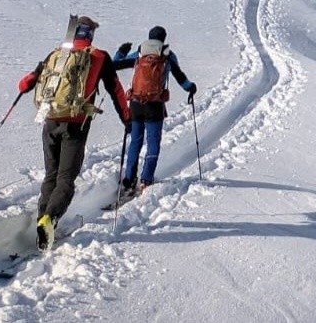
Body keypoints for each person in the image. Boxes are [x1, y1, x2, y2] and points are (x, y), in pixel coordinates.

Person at [17, 14, 130, 249]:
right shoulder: (99, 56)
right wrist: (127, 119)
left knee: (51, 175)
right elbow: (116, 90)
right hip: (76, 125)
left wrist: (33, 76)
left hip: (50, 120)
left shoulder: (57, 54)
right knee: (66, 179)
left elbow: (25, 84)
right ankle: (50, 220)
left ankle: (42, 222)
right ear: (91, 34)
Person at [113, 25, 196, 199]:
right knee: (153, 143)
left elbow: (115, 65)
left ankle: (128, 180)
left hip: (135, 104)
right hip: (155, 106)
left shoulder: (140, 53)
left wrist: (121, 52)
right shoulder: (167, 55)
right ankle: (146, 180)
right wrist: (191, 88)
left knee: (135, 142)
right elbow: (180, 76)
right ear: (163, 38)